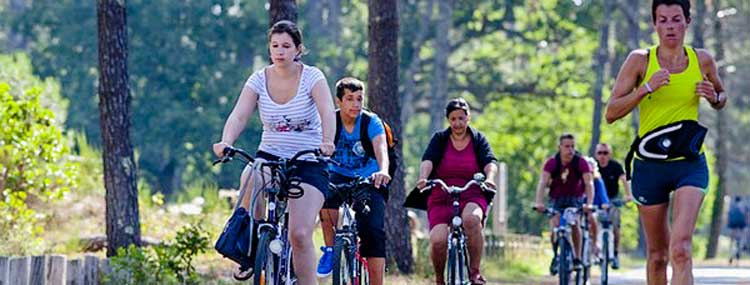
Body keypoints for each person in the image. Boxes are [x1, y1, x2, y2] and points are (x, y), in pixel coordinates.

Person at [605, 0, 727, 283]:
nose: (670, 27)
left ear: (687, 21)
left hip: (689, 163)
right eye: (663, 20)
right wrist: (645, 89)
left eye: (676, 19)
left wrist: (714, 97)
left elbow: (722, 96)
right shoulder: (640, 60)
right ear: (654, 23)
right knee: (658, 254)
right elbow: (611, 112)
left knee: (681, 249)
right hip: (649, 165)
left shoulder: (702, 60)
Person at [212, 20, 336, 285]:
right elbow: (239, 115)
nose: (280, 51)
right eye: (275, 46)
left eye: (286, 46)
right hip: (269, 156)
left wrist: (327, 141)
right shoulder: (258, 79)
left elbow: (327, 111)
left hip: (308, 160)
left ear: (298, 50)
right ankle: (252, 250)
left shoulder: (312, 77)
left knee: (300, 235)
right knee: (250, 175)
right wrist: (226, 141)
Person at [315, 77, 390, 285]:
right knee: (325, 197)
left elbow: (381, 148)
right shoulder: (330, 120)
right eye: (350, 99)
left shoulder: (370, 121)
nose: (356, 104)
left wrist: (383, 170)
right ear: (338, 101)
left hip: (369, 177)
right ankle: (331, 250)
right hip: (337, 174)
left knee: (373, 231)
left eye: (359, 99)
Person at [415, 98, 498, 285]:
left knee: (472, 219)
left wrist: (490, 178)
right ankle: (439, 279)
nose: (457, 123)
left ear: (468, 118)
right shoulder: (440, 139)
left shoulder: (478, 139)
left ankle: (475, 272)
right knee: (438, 240)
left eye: (461, 118)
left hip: (471, 193)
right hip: (441, 195)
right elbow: (428, 160)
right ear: (448, 120)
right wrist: (423, 177)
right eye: (453, 119)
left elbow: (489, 162)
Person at [534, 133, 594, 275]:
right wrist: (539, 202)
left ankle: (577, 258)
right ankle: (556, 255)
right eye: (567, 146)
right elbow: (542, 182)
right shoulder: (552, 163)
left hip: (575, 199)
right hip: (557, 199)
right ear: (559, 147)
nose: (570, 150)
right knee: (554, 227)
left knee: (575, 224)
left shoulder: (581, 162)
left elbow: (589, 183)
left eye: (573, 146)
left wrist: (589, 203)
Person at [595, 143, 632, 268]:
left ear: (609, 154)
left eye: (605, 153)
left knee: (615, 226)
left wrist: (628, 195)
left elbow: (624, 179)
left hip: (613, 200)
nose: (602, 156)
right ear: (596, 154)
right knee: (591, 225)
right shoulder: (593, 167)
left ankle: (615, 254)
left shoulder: (615, 166)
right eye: (600, 153)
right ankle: (594, 252)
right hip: (597, 201)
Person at [585, 156, 610, 262]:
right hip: (581, 208)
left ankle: (595, 243)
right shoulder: (579, 179)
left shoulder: (597, 181)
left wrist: (604, 204)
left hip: (594, 209)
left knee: (593, 218)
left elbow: (603, 196)